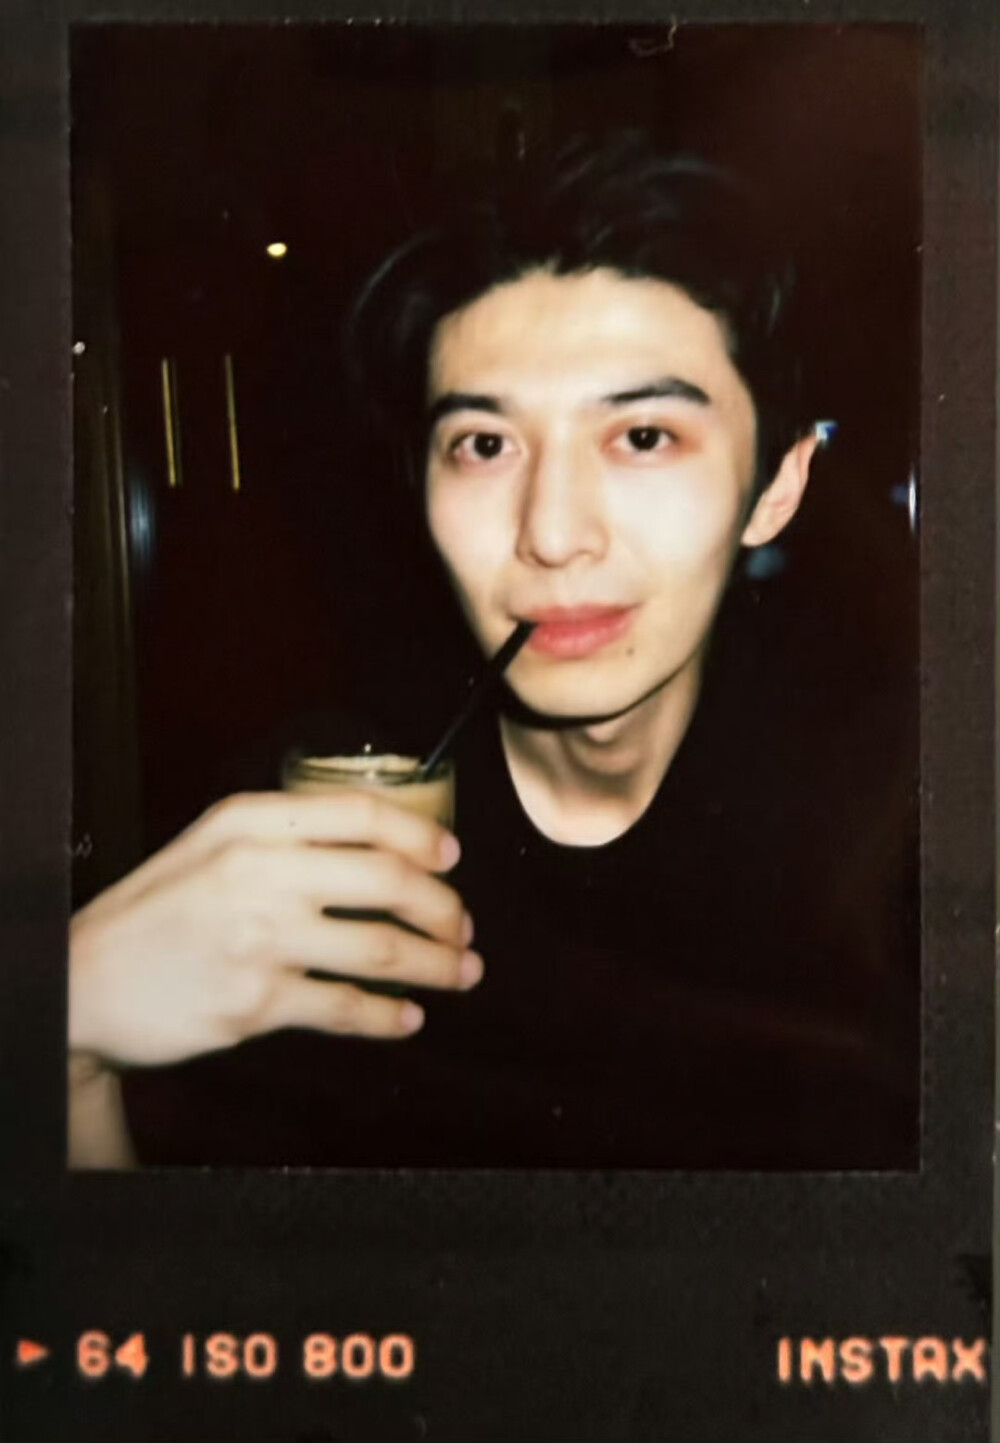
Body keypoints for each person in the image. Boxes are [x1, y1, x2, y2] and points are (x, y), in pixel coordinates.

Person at [68, 132, 919, 1169]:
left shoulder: (897, 835)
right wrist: (62, 1041)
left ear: (774, 489)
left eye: (642, 436)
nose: (551, 534)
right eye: (483, 444)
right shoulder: (318, 827)